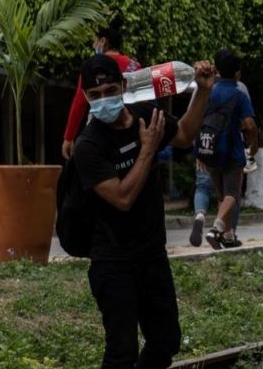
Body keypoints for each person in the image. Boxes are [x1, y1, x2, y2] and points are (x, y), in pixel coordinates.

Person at [73, 54, 214, 368]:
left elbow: (184, 136)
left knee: (166, 341)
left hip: (152, 255)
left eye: (109, 91)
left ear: (124, 86)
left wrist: (202, 91)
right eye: (94, 96)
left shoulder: (146, 115)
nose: (102, 100)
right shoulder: (89, 145)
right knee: (121, 353)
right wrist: (147, 150)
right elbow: (123, 198)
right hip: (113, 261)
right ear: (85, 97)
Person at [196, 49, 259, 250]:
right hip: (231, 151)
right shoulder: (239, 95)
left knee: (222, 195)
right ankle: (216, 228)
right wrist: (254, 145)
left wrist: (199, 150)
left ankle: (228, 235)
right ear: (238, 73)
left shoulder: (207, 92)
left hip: (210, 148)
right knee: (233, 193)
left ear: (216, 69)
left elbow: (197, 120)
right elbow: (249, 124)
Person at [62, 25, 142, 159]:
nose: (93, 45)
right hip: (130, 128)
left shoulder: (92, 68)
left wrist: (68, 138)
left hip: (98, 132)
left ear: (103, 42)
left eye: (94, 40)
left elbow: (79, 103)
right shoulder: (134, 66)